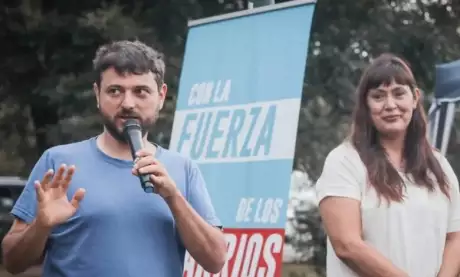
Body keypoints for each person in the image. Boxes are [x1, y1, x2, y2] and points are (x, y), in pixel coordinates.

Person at [1, 40, 227, 276]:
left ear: (161, 96)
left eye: (141, 91)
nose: (128, 103)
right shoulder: (58, 163)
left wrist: (173, 197)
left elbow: (216, 260)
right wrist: (41, 226)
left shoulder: (183, 169)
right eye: (115, 91)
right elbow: (13, 263)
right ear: (98, 94)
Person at [316, 53, 460, 277]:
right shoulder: (344, 161)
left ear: (415, 98)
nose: (390, 105)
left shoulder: (438, 165)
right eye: (378, 96)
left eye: (399, 93)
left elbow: (455, 236)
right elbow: (347, 245)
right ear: (366, 105)